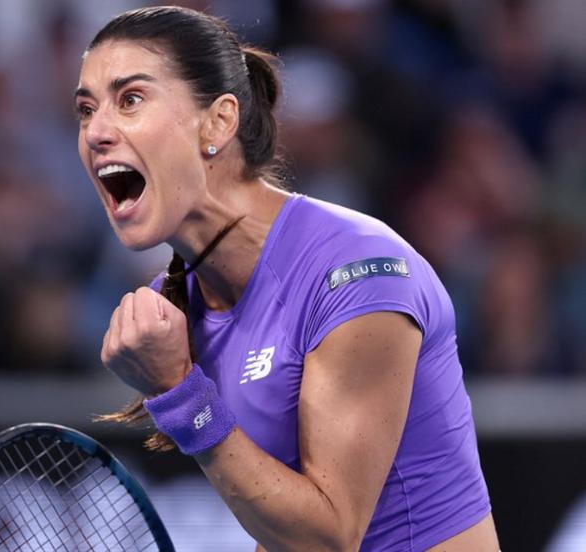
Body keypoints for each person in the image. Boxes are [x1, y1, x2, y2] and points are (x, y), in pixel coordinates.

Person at [74, 6, 499, 551]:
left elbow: (328, 537)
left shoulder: (355, 273)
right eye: (86, 110)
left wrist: (180, 392)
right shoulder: (181, 306)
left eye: (130, 99)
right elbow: (277, 524)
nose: (97, 132)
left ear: (218, 122)